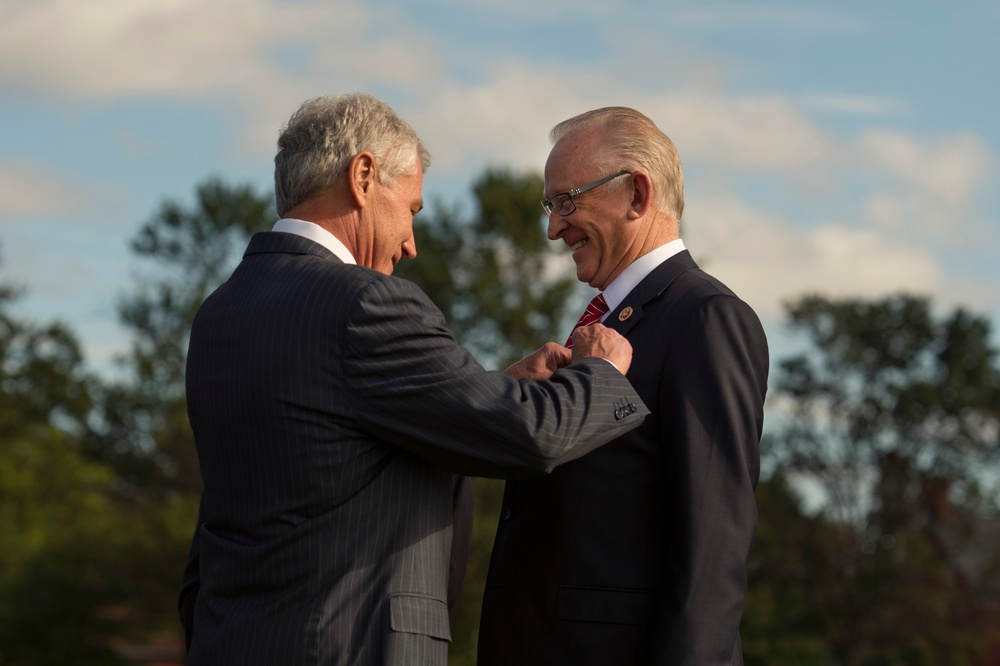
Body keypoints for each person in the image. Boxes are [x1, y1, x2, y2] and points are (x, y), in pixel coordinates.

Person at [178, 93, 648, 666]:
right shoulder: (364, 304)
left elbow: (330, 447)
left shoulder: (221, 312)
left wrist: (490, 385)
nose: (410, 244)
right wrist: (600, 373)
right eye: (411, 210)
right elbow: (527, 435)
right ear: (364, 175)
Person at [477, 107, 769, 665]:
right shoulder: (607, 328)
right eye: (550, 205)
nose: (553, 227)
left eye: (567, 201)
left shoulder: (705, 318)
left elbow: (713, 547)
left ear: (637, 194)